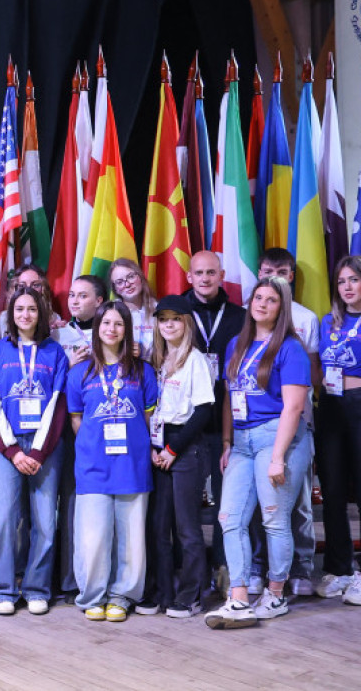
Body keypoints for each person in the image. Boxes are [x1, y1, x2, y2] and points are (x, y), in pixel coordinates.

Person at [204, 277, 312, 629]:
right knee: (229, 518)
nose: (262, 304)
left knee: (273, 518)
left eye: (271, 300)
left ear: (282, 308)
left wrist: (278, 456)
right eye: (258, 298)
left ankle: (275, 594)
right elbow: (229, 398)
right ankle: (238, 599)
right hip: (242, 441)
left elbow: (293, 407)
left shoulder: (290, 348)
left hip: (277, 437)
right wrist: (227, 442)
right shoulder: (236, 344)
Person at [67, 300, 157, 622]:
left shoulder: (143, 371)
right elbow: (77, 419)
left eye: (119, 323)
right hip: (93, 465)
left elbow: (148, 418)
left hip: (132, 465)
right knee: (92, 538)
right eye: (106, 323)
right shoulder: (79, 372)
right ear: (97, 327)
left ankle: (122, 596)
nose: (112, 329)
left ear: (126, 329)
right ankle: (93, 596)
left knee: (131, 538)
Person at [0, 285, 69, 616]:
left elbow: (57, 406)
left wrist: (37, 452)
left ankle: (36, 588)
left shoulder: (55, 353)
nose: (25, 315)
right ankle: (3, 589)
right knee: (3, 519)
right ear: (10, 314)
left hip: (44, 447)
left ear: (41, 314)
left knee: (45, 521)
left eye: (32, 309)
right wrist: (12, 451)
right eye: (19, 309)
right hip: (7, 446)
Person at [249, 248, 320, 597]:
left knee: (299, 501)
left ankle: (302, 567)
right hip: (257, 424)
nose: (273, 276)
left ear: (291, 276)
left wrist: (305, 411)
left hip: (296, 418)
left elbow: (314, 371)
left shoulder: (305, 318)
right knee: (262, 504)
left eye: (280, 271)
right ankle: (259, 566)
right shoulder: (251, 318)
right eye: (267, 271)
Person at [182, 250, 246, 592]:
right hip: (186, 425)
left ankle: (225, 569)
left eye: (211, 272)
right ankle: (190, 572)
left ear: (221, 275)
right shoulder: (175, 312)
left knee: (227, 504)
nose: (205, 278)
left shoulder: (241, 316)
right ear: (189, 276)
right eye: (199, 273)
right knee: (186, 505)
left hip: (227, 423)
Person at [146, 295, 214, 618]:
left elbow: (203, 411)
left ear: (186, 323)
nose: (169, 325)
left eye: (175, 319)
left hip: (186, 445)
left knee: (187, 527)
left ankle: (191, 594)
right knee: (159, 526)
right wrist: (155, 448)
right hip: (160, 444)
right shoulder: (158, 359)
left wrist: (173, 449)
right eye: (163, 319)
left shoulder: (195, 359)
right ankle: (163, 591)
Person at [52, 273, 105, 602]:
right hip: (66, 428)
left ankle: (102, 577)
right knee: (68, 503)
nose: (74, 300)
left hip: (104, 428)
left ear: (99, 301)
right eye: (71, 295)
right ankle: (68, 580)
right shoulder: (57, 333)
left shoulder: (112, 329)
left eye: (83, 295)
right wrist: (68, 363)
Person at [313, 255, 361, 605]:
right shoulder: (328, 321)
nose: (347, 287)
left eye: (354, 279)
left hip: (359, 405)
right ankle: (339, 568)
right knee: (331, 491)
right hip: (330, 407)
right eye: (342, 281)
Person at [109, 258, 156, 359]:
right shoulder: (110, 312)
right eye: (119, 282)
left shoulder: (158, 309)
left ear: (140, 277)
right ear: (115, 289)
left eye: (130, 277)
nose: (127, 285)